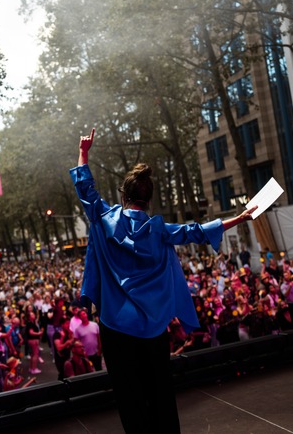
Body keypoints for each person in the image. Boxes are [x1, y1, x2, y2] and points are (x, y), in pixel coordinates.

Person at [70, 128, 256, 433]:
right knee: (159, 390)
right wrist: (240, 217)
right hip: (152, 325)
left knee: (129, 396)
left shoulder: (104, 219)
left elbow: (85, 188)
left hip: (116, 325)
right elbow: (196, 230)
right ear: (148, 199)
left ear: (124, 195)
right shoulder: (159, 229)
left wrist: (84, 152)